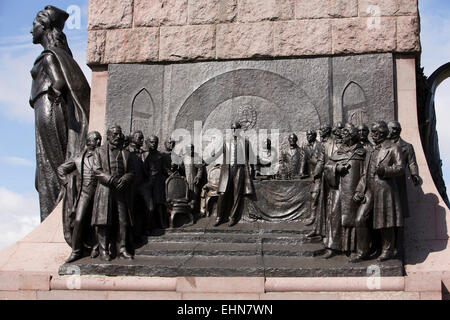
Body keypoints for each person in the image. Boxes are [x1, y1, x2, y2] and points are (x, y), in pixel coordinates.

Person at [30, 6, 90, 222]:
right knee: (45, 167)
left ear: (44, 26)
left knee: (53, 164)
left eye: (35, 25)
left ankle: (60, 216)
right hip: (48, 108)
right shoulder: (61, 54)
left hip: (49, 108)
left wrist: (55, 95)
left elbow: (59, 82)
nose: (31, 30)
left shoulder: (49, 56)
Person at [353, 121, 405, 262]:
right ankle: (362, 252)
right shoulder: (371, 150)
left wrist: (385, 170)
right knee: (360, 219)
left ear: (382, 133)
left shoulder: (393, 148)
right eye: (372, 132)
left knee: (385, 221)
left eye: (374, 132)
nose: (372, 135)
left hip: (384, 188)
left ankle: (388, 250)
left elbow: (400, 168)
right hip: (369, 189)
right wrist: (359, 190)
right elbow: (364, 173)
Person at [92, 126, 135, 261]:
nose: (118, 136)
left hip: (121, 191)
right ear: (109, 135)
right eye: (115, 134)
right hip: (105, 190)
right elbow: (97, 170)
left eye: (119, 134)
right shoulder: (99, 151)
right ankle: (103, 251)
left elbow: (132, 172)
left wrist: (125, 179)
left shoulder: (126, 153)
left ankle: (122, 249)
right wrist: (111, 180)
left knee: (123, 221)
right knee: (103, 221)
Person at [322, 124, 366, 259]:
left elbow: (366, 173)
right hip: (337, 190)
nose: (342, 136)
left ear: (352, 136)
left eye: (345, 134)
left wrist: (360, 190)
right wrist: (336, 168)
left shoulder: (362, 152)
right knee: (334, 217)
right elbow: (327, 166)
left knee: (351, 220)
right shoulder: (338, 152)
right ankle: (332, 247)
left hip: (353, 190)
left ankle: (352, 248)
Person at [58, 131, 102, 263]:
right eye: (96, 139)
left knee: (98, 221)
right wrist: (67, 184)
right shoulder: (78, 158)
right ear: (88, 141)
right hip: (84, 192)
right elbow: (61, 169)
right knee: (79, 220)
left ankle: (97, 246)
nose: (99, 142)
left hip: (99, 191)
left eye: (99, 139)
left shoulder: (102, 155)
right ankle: (76, 250)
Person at [215, 122, 255, 227]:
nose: (234, 131)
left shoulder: (246, 143)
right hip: (226, 171)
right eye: (232, 129)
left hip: (239, 170)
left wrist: (255, 170)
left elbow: (251, 158)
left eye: (236, 129)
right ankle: (219, 217)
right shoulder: (226, 142)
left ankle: (232, 217)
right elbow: (217, 153)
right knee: (223, 194)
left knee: (237, 194)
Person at [300, 130, 325, 227]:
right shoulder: (305, 147)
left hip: (319, 174)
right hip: (310, 174)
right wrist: (301, 172)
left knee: (315, 196)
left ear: (314, 136)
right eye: (307, 134)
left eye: (310, 134)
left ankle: (313, 217)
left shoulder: (320, 145)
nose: (308, 136)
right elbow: (303, 160)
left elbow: (321, 160)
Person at [144, 136, 169, 230]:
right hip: (146, 183)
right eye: (151, 142)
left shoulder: (160, 156)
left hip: (158, 182)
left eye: (155, 142)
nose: (153, 144)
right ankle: (147, 226)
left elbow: (164, 168)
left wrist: (171, 173)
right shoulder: (144, 155)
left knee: (159, 204)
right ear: (147, 143)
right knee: (149, 206)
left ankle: (160, 223)